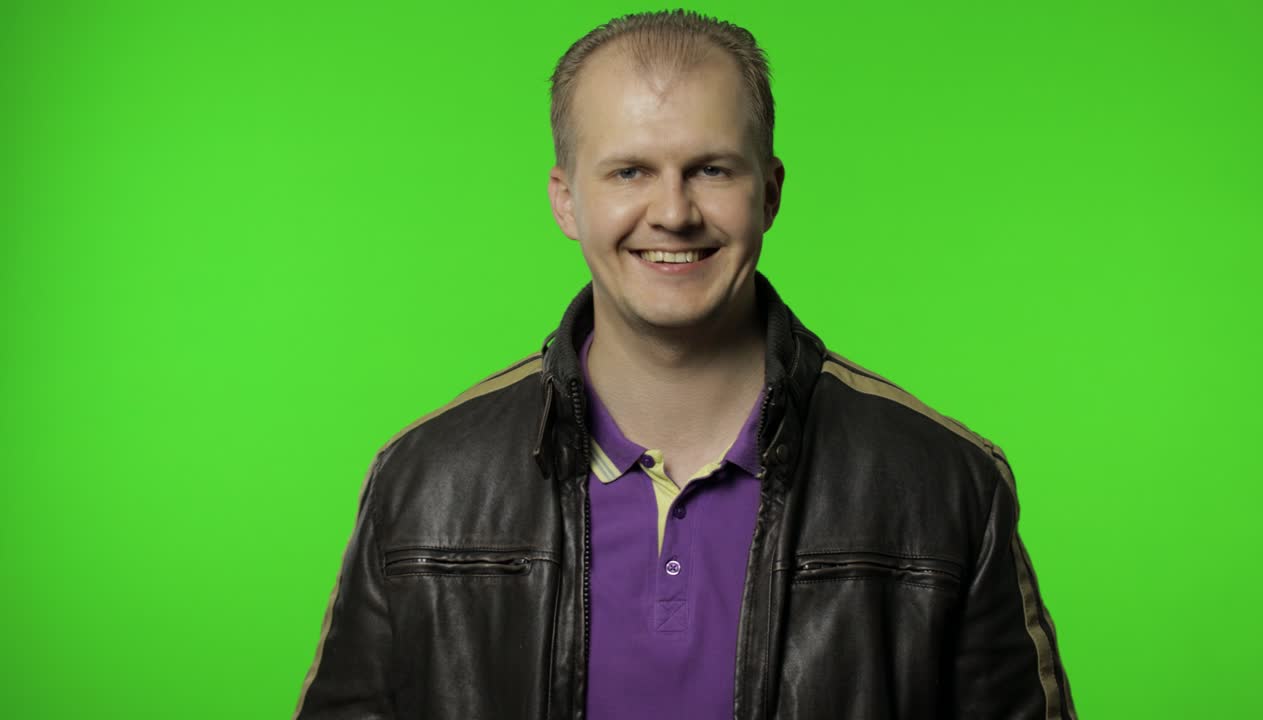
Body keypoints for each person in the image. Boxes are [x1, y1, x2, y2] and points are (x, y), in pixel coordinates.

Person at [294, 9, 1075, 719]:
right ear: (566, 201)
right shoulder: (424, 481)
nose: (673, 212)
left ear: (768, 194)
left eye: (711, 169)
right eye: (630, 171)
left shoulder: (945, 484)